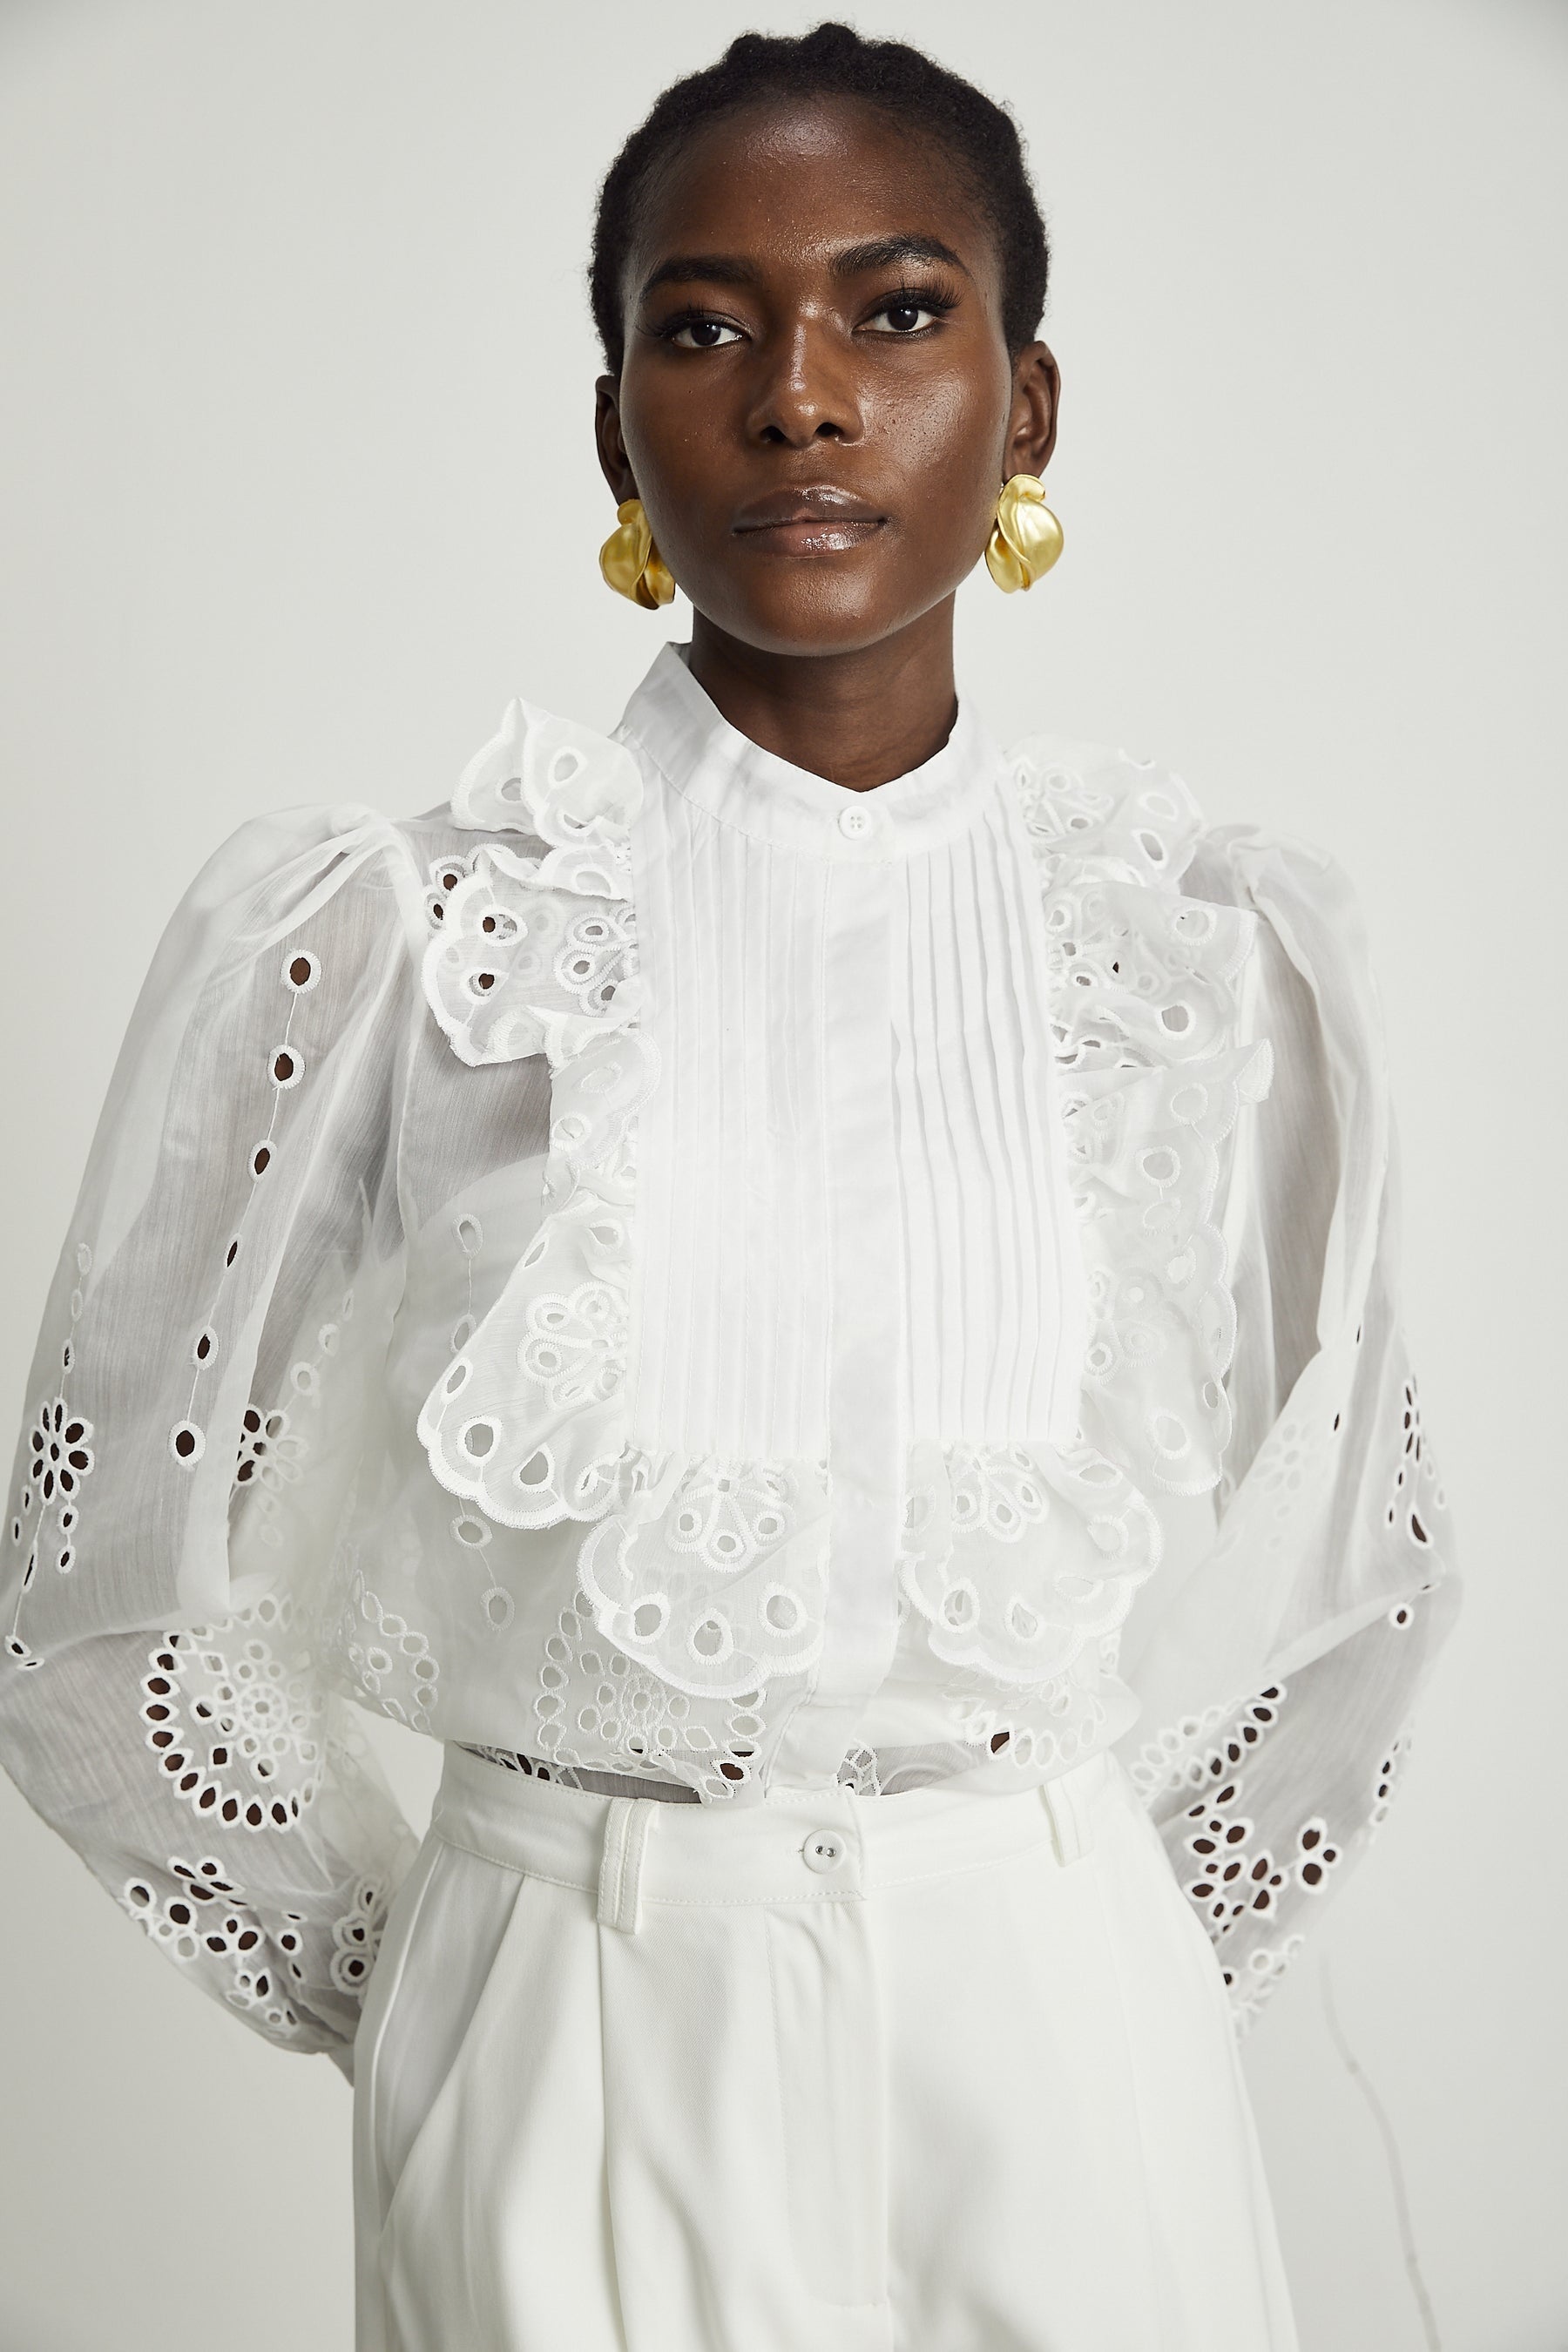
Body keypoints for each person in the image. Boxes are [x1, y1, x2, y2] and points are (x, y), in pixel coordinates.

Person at [0, 23, 1457, 2352]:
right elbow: (100, 1606)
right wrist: (465, 1971)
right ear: (613, 425)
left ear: (1031, 408)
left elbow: (1357, 1576)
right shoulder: (396, 940)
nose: (802, 395)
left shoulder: (1204, 950)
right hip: (565, 2023)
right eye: (705, 325)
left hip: (1068, 2048)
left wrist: (1086, 1932)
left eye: (896, 311)